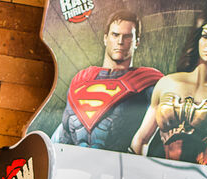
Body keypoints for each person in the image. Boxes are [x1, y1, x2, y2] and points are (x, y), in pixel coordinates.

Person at [130, 10, 207, 170]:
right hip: (159, 174)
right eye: (205, 36)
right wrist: (132, 174)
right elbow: (141, 140)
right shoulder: (167, 83)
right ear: (197, 38)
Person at [54, 9, 163, 153]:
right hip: (75, 163)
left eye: (127, 36)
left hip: (119, 168)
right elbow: (65, 132)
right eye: (115, 35)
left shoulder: (148, 83)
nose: (120, 42)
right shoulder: (81, 80)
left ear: (137, 42)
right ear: (106, 38)